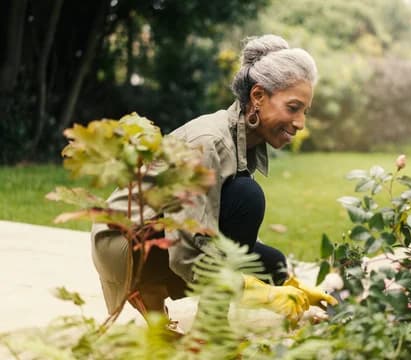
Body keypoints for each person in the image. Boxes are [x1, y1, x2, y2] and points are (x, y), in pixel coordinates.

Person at [90, 34, 337, 327]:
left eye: (304, 112)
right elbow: (186, 251)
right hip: (125, 244)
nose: (300, 124)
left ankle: (164, 292)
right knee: (248, 197)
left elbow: (226, 229)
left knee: (272, 261)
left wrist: (287, 282)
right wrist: (258, 293)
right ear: (258, 97)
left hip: (158, 232)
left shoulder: (244, 141)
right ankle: (196, 319)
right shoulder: (208, 142)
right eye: (293, 108)